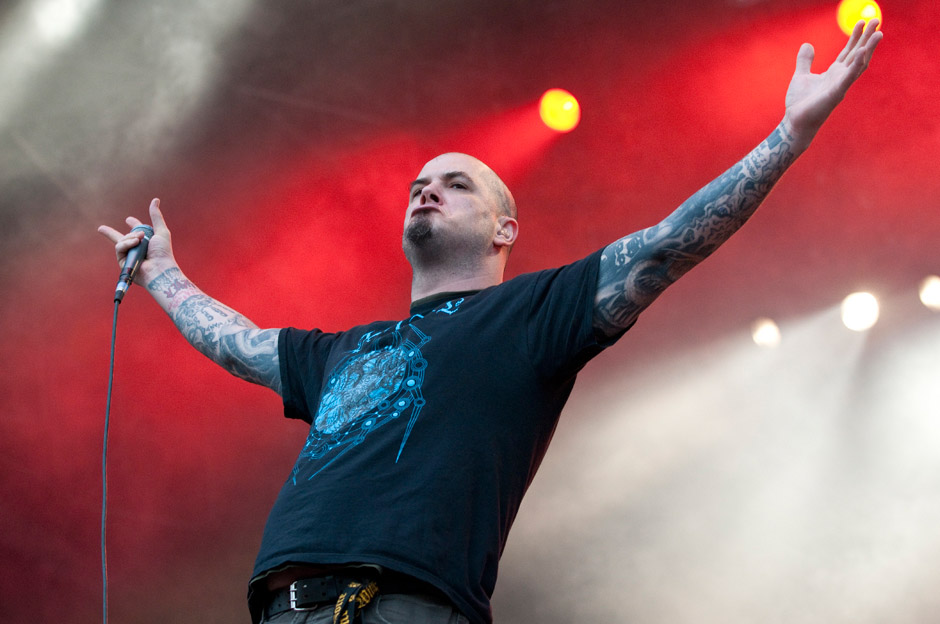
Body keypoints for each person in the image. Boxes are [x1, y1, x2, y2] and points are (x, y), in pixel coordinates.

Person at [99, 21, 882, 624]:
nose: (426, 190)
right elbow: (238, 344)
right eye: (419, 183)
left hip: (405, 606)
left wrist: (788, 137)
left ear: (505, 229)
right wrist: (163, 274)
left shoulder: (530, 315)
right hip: (282, 607)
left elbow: (671, 241)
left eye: (455, 184)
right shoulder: (344, 350)